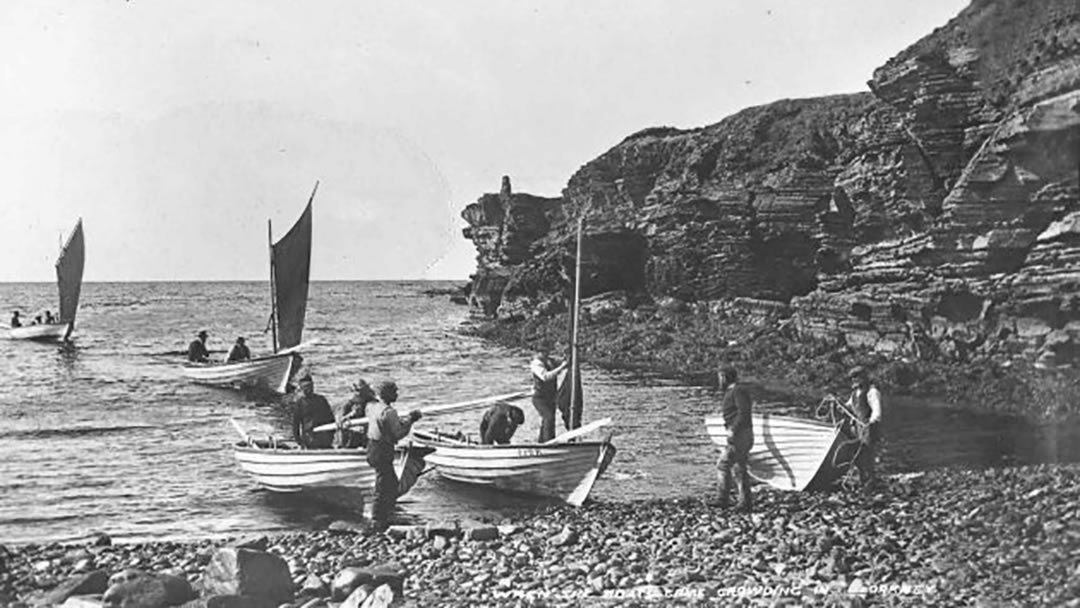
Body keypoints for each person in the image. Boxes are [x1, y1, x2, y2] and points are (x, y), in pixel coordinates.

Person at [366, 381, 422, 532]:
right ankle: (377, 520)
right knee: (384, 485)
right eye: (394, 392)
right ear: (388, 394)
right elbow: (398, 433)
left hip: (372, 447)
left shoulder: (372, 407)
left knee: (389, 483)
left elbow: (386, 426)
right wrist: (411, 420)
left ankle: (385, 515)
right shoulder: (390, 412)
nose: (397, 394)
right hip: (382, 450)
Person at [716, 364, 754, 512]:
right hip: (741, 434)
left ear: (725, 377)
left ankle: (723, 499)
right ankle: (744, 502)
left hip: (741, 434)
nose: (719, 381)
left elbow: (744, 413)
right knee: (739, 467)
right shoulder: (733, 391)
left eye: (720, 377)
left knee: (723, 464)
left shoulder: (738, 391)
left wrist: (733, 429)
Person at [844, 366, 883, 491]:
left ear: (864, 377)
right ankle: (862, 479)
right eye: (853, 378)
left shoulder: (872, 392)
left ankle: (871, 481)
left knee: (868, 454)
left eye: (857, 377)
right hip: (857, 427)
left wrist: (871, 423)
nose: (855, 380)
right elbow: (849, 407)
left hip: (868, 427)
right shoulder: (854, 394)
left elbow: (877, 411)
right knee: (858, 454)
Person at [530, 349, 568, 442]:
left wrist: (565, 359)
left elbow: (561, 362)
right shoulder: (536, 364)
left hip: (550, 397)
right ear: (537, 352)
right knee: (548, 417)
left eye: (546, 351)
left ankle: (543, 441)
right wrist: (561, 367)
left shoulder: (550, 361)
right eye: (542, 352)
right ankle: (548, 442)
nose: (545, 354)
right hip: (539, 397)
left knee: (549, 420)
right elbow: (545, 377)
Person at [291, 374, 336, 449]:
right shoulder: (300, 403)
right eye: (305, 387)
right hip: (309, 439)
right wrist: (299, 441)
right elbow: (296, 424)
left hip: (324, 437)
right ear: (301, 388)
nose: (308, 389)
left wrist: (330, 436)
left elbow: (331, 419)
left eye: (310, 386)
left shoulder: (321, 400)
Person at [337, 379, 378, 448]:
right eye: (357, 391)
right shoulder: (347, 405)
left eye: (362, 391)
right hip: (351, 438)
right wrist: (349, 417)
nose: (358, 393)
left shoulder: (373, 403)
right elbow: (340, 421)